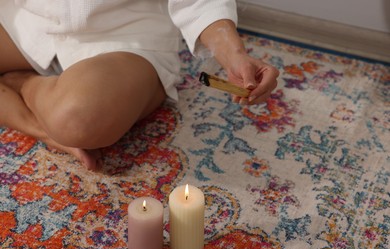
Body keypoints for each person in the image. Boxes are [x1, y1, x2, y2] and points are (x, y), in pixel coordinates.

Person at [0, 0, 279, 171]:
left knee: (77, 118)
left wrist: (234, 55)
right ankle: (42, 128)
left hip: (127, 36)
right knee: (63, 124)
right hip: (29, 23)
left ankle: (22, 82)